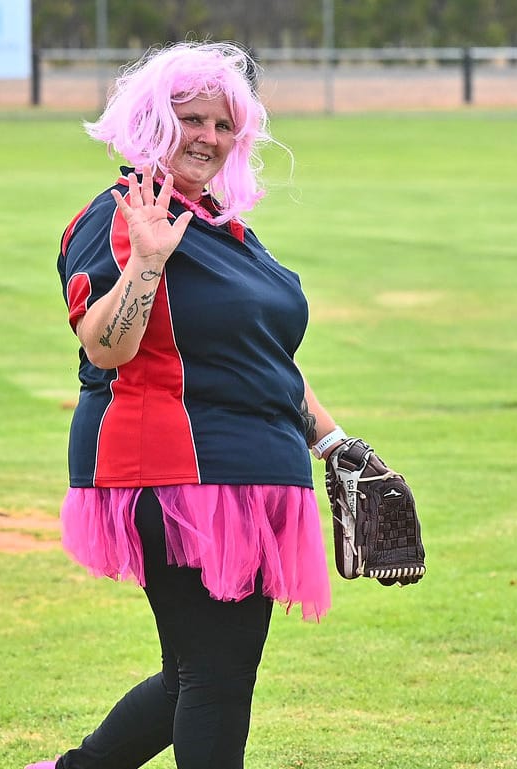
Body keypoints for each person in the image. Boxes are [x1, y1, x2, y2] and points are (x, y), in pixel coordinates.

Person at [26, 41, 350, 769]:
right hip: (178, 474)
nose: (208, 135)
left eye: (223, 123)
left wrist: (337, 445)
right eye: (190, 119)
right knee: (218, 677)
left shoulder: (226, 227)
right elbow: (104, 346)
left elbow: (267, 360)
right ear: (151, 125)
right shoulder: (121, 218)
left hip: (251, 470)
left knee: (195, 673)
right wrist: (145, 261)